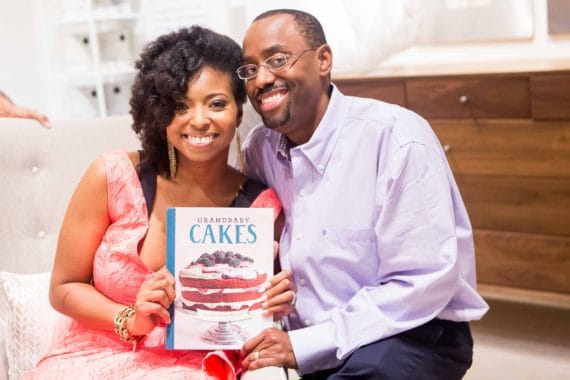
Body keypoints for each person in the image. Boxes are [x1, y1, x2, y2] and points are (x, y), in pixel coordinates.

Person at [26, 26, 295, 380]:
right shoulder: (113, 176)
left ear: (239, 113)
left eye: (216, 103)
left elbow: (254, 313)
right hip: (93, 356)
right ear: (160, 114)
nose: (199, 120)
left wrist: (277, 299)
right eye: (180, 106)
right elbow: (63, 288)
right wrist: (130, 319)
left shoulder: (262, 206)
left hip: (195, 364)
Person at [238, 9, 489, 379]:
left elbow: (421, 284)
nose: (261, 78)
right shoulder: (259, 149)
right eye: (249, 69)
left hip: (408, 329)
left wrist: (306, 345)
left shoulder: (395, 138)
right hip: (309, 333)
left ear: (323, 59)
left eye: (277, 60)